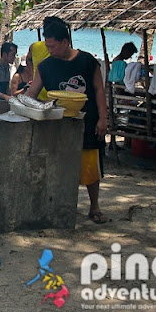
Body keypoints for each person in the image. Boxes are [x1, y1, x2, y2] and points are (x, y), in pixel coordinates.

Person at [26, 20, 109, 224]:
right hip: (59, 123)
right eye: (47, 46)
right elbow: (32, 93)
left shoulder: (88, 61)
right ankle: (58, 206)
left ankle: (95, 206)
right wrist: (20, 104)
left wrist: (103, 118)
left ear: (65, 42)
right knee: (58, 166)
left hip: (88, 121)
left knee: (89, 166)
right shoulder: (45, 66)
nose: (50, 50)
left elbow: (99, 89)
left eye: (53, 46)